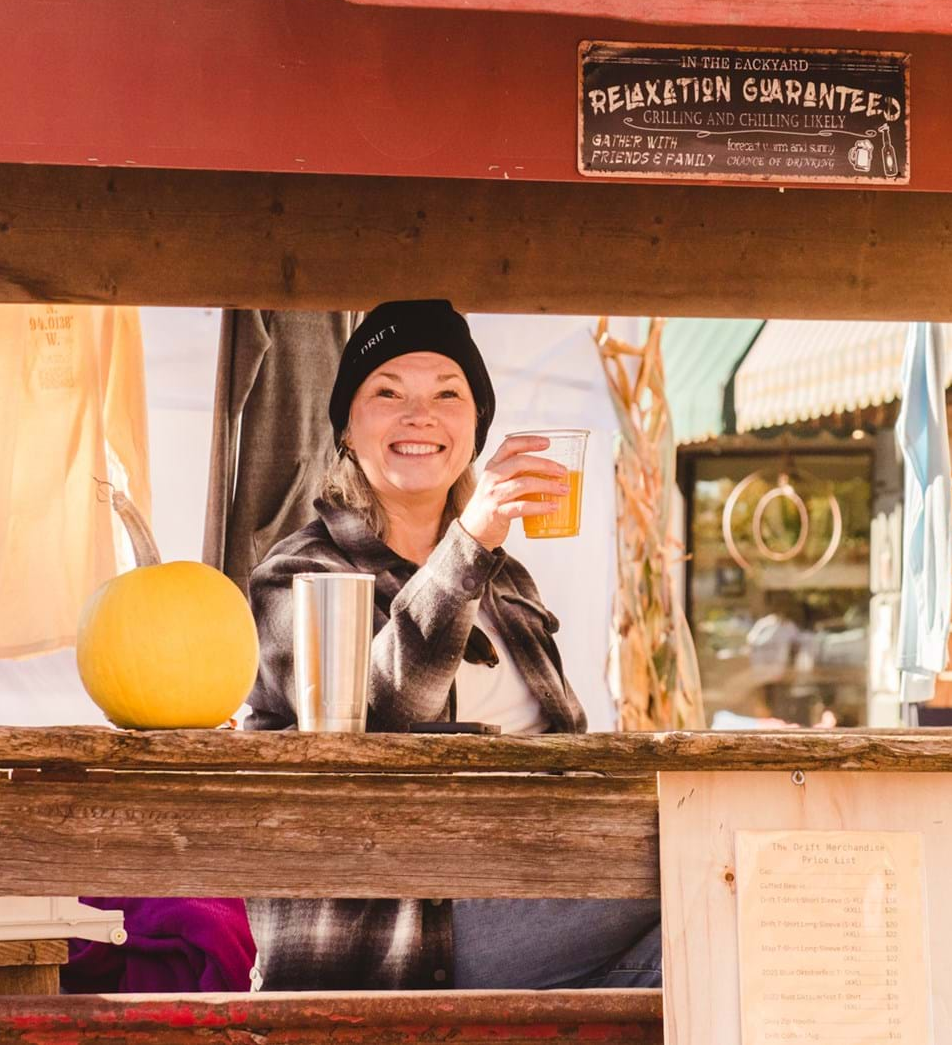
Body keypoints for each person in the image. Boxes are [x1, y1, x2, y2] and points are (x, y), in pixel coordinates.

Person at [243, 299, 661, 992]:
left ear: (474, 429)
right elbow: (374, 718)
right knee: (704, 861)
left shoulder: (510, 584)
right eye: (387, 393)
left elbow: (566, 745)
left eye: (447, 393)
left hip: (538, 881)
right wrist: (469, 543)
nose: (420, 415)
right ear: (349, 428)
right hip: (403, 923)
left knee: (705, 954)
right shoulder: (299, 574)